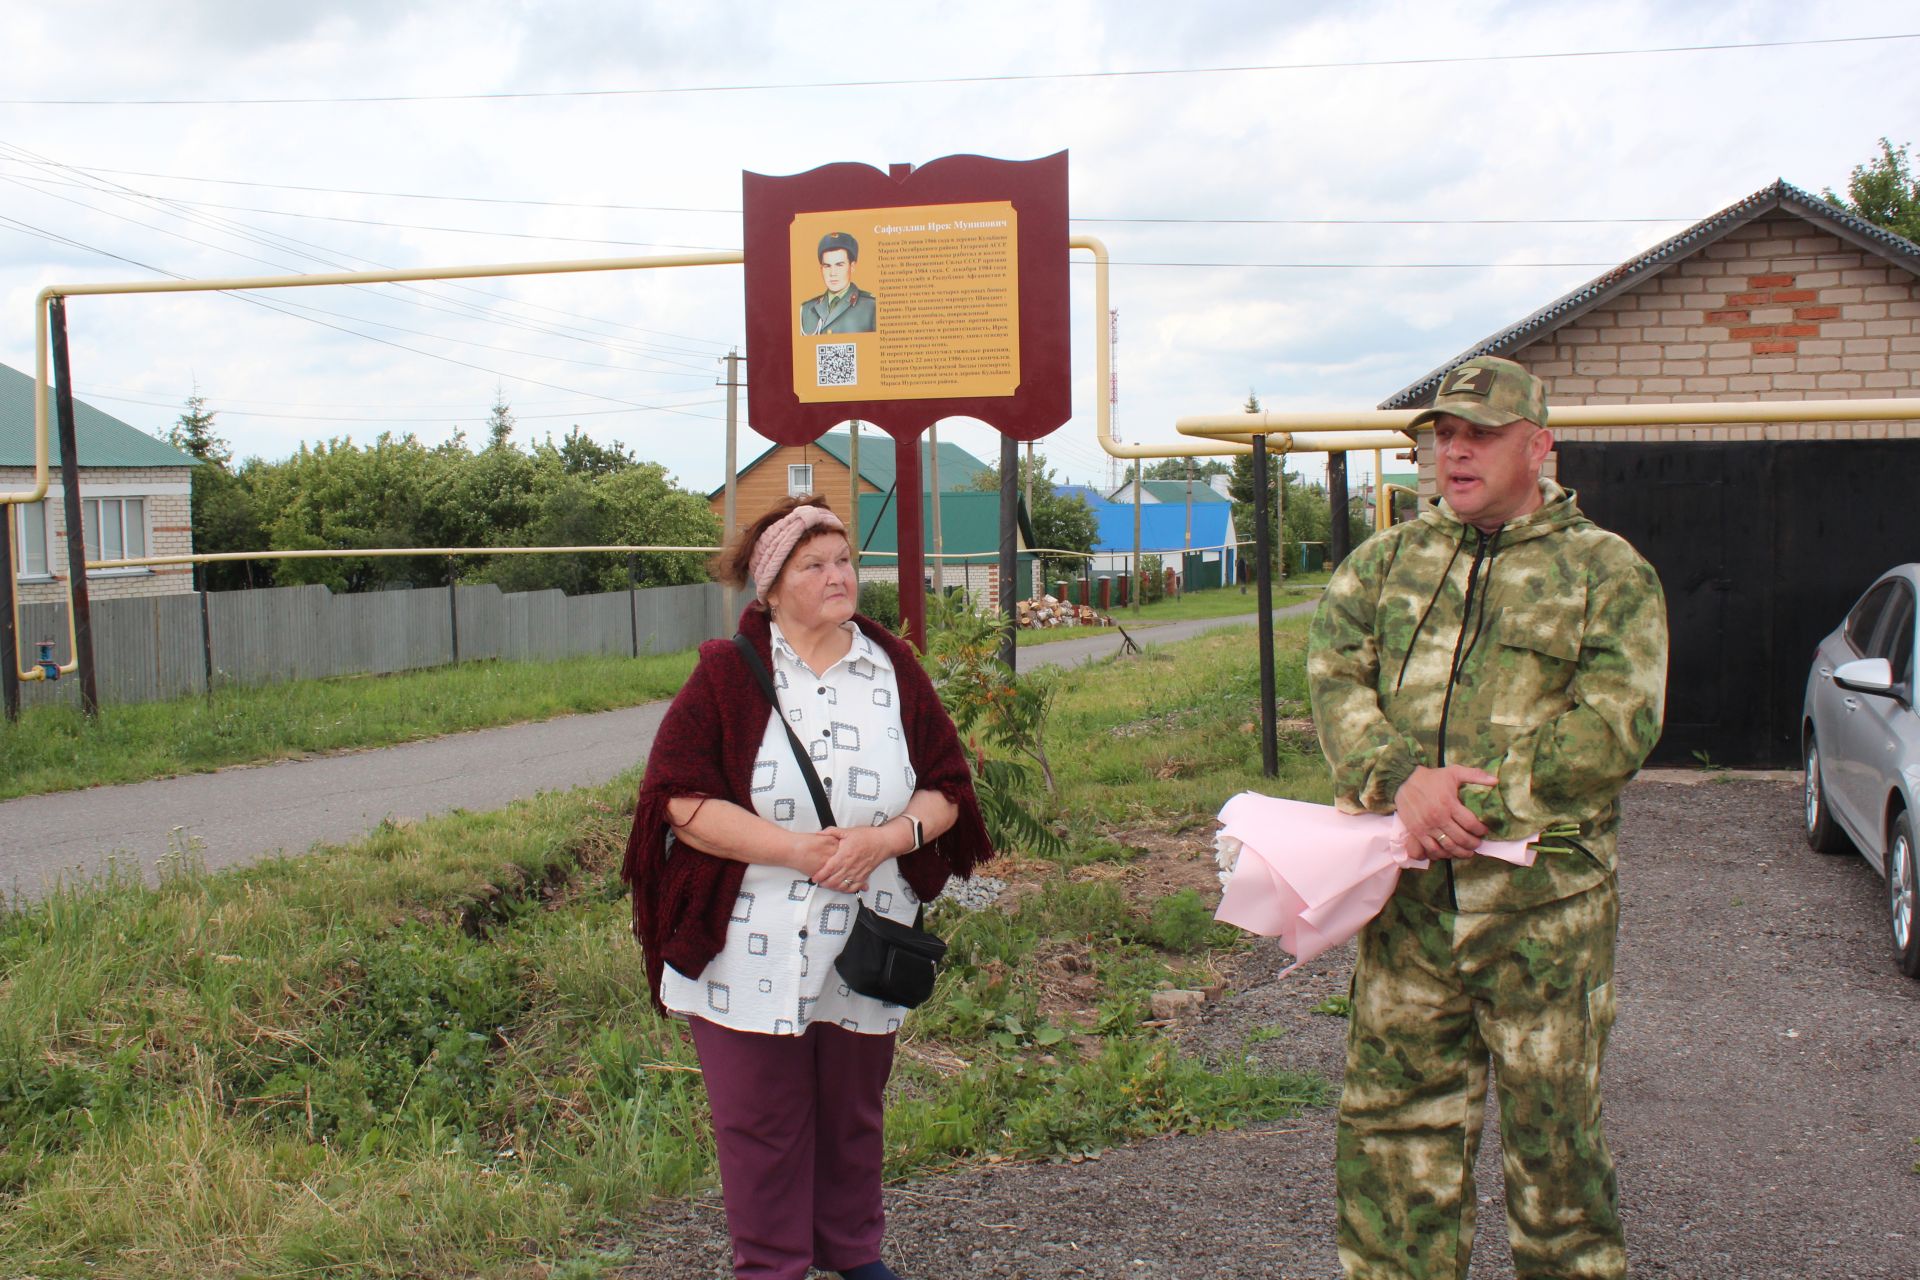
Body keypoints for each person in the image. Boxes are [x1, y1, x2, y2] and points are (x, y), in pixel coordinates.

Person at [1306, 355, 1668, 1279]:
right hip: (1409, 913)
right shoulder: (1382, 567)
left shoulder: (1606, 572)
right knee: (1394, 1147)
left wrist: (1471, 802)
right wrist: (1402, 782)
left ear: (1537, 445)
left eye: (1478, 434)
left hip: (1544, 920)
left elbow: (1619, 721)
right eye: (1443, 436)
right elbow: (1336, 677)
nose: (1453, 453)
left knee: (1557, 1162)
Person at [622, 495, 990, 1280]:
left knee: (853, 1114)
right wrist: (796, 849)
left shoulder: (893, 668)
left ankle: (852, 1255)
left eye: (844, 560)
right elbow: (678, 801)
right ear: (772, 586)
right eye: (814, 565)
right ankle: (772, 1266)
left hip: (867, 933)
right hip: (747, 943)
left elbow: (948, 789)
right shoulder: (727, 674)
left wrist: (885, 840)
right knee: (762, 1122)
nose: (837, 576)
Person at [799, 231, 878, 335]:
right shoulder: (806, 310)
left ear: (852, 267)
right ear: (821, 269)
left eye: (839, 265)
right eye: (827, 266)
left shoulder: (872, 307)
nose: (833, 273)